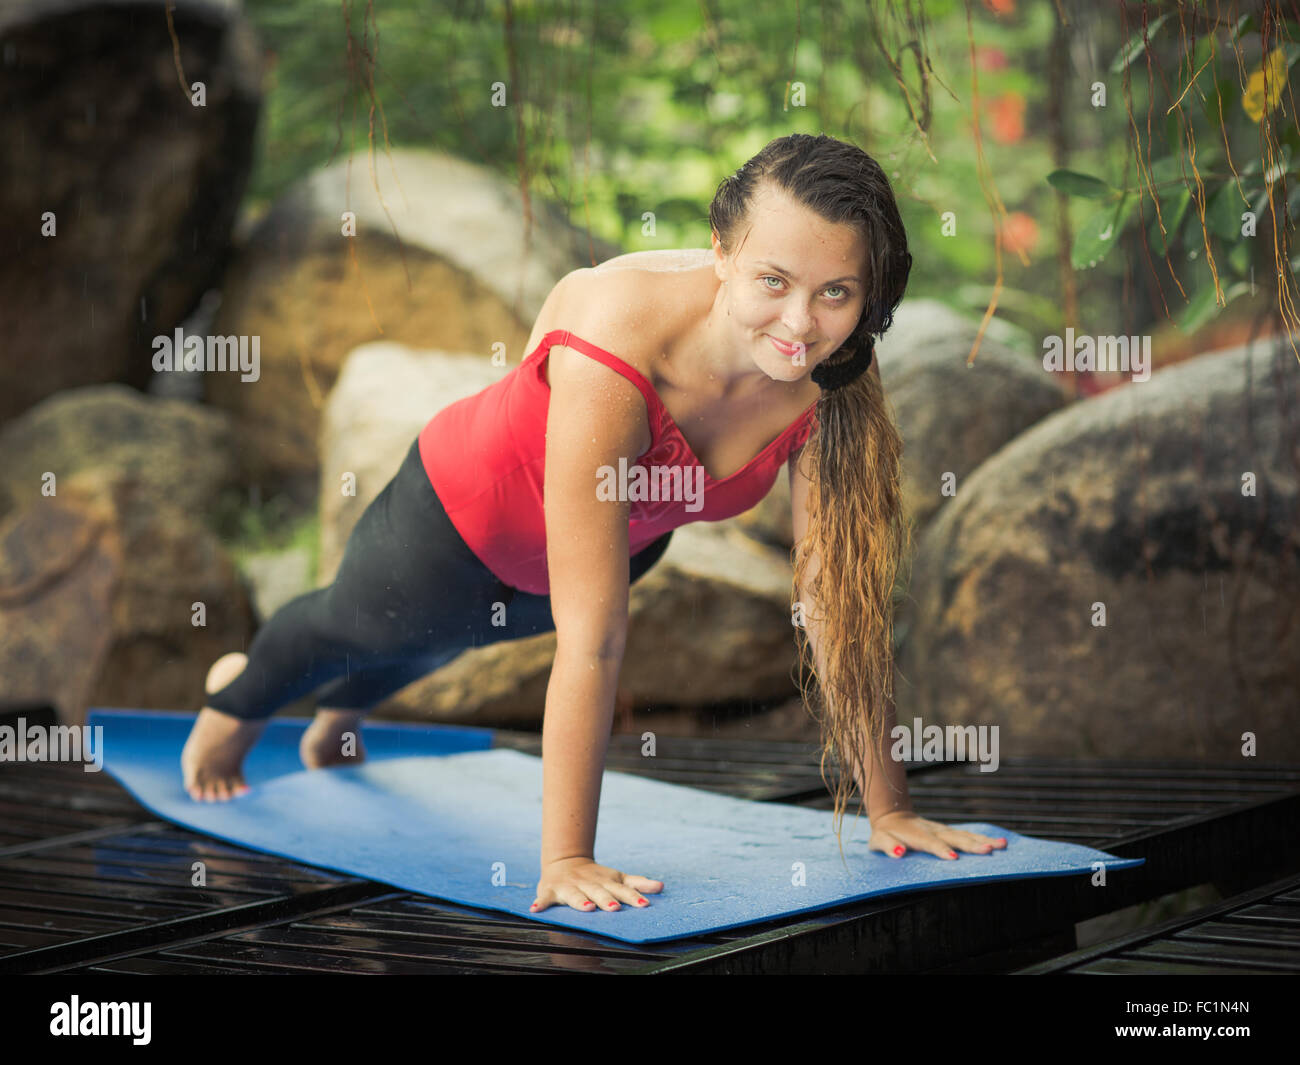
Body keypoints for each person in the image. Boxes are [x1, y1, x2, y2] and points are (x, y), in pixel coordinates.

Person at [181, 132, 1007, 917]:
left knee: (434, 650)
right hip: (459, 515)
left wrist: (889, 811)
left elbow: (836, 609)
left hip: (614, 548)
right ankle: (232, 704)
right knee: (356, 626)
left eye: (836, 293)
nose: (799, 324)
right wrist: (568, 858)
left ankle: (336, 727)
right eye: (773, 282)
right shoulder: (619, 350)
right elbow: (595, 643)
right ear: (721, 250)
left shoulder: (830, 383)